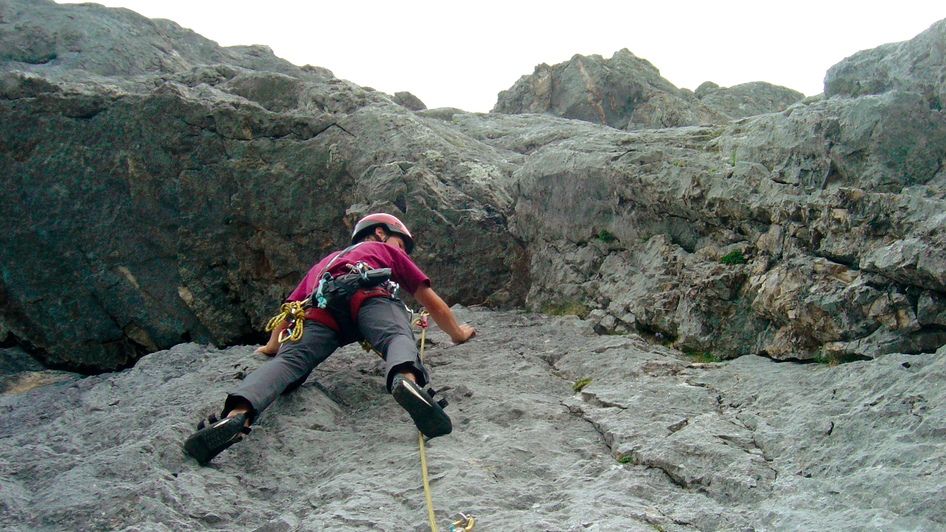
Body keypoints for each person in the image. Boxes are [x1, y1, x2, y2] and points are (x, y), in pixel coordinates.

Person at [184, 213, 476, 465]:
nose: (404, 252)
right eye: (401, 244)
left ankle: (238, 414)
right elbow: (430, 301)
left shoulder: (321, 264)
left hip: (320, 309)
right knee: (397, 336)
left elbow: (289, 310)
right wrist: (458, 333)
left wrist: (272, 346)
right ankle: (405, 381)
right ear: (380, 232)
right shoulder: (383, 250)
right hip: (369, 295)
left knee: (289, 362)